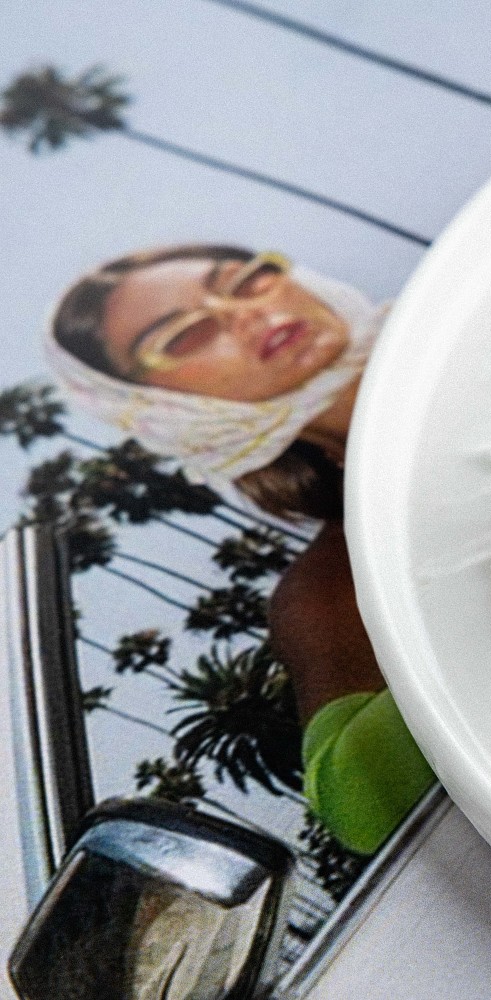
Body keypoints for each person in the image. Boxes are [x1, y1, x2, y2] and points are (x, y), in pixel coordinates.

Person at [47, 244, 434, 854]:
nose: (245, 314)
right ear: (159, 408)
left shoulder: (489, 312)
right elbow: (361, 806)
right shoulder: (331, 592)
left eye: (246, 281)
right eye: (184, 334)